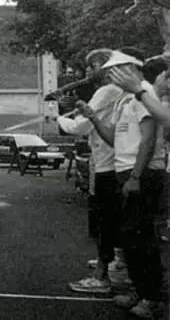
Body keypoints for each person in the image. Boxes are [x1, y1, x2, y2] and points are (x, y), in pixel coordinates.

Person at [78, 50, 167, 319]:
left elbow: (148, 140)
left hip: (142, 173)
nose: (110, 76)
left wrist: (136, 177)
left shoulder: (144, 94)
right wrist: (93, 116)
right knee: (130, 237)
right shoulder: (124, 100)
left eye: (116, 70)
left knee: (141, 237)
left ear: (131, 69)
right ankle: (140, 291)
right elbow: (113, 138)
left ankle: (151, 297)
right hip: (125, 170)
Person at [60, 49, 128, 294]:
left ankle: (102, 274)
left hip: (107, 164)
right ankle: (118, 263)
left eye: (93, 66)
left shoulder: (107, 91)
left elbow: (80, 127)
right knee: (115, 220)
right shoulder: (119, 92)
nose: (88, 71)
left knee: (105, 220)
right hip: (113, 162)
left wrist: (59, 118)